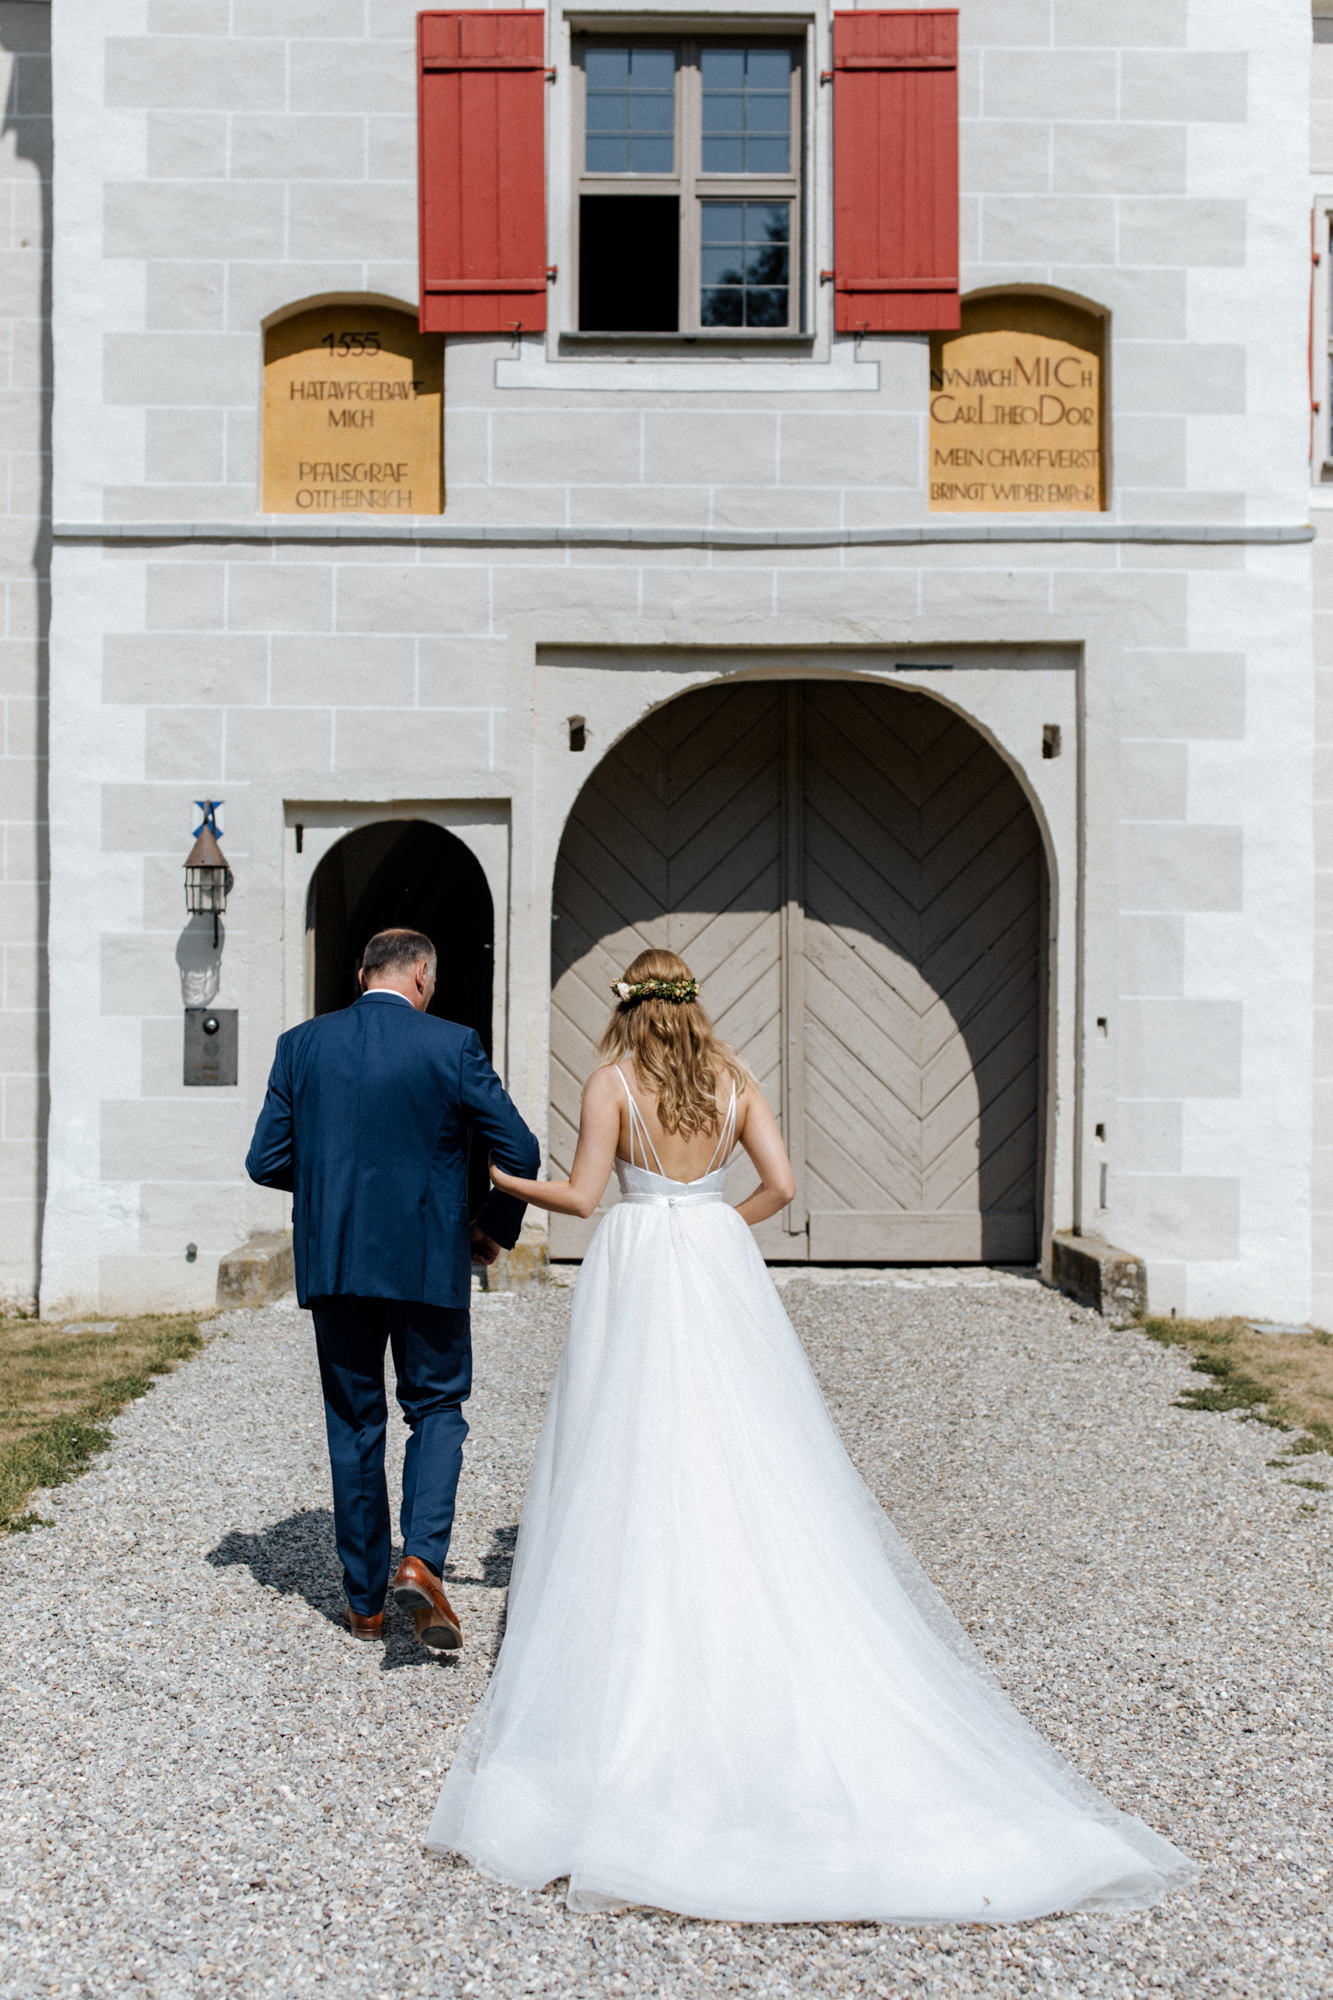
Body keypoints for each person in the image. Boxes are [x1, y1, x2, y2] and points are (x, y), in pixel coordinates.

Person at [425, 947, 1194, 1923]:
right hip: (708, 1252)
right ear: (693, 1007)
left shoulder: (610, 1082)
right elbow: (780, 1185)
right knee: (743, 1433)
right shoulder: (736, 1080)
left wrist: (488, 1172)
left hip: (638, 1260)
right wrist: (711, 1220)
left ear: (627, 1011)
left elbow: (580, 1200)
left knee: (630, 1437)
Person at [245, 927, 539, 1651]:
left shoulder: (300, 1046)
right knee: (436, 1407)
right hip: (426, 1258)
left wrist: (331, 1189)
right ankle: (421, 1561)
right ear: (420, 977)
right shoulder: (451, 1045)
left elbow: (265, 1160)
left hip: (336, 1258)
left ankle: (362, 1605)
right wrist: (489, 1227)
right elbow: (521, 1150)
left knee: (353, 1422)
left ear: (359, 974)